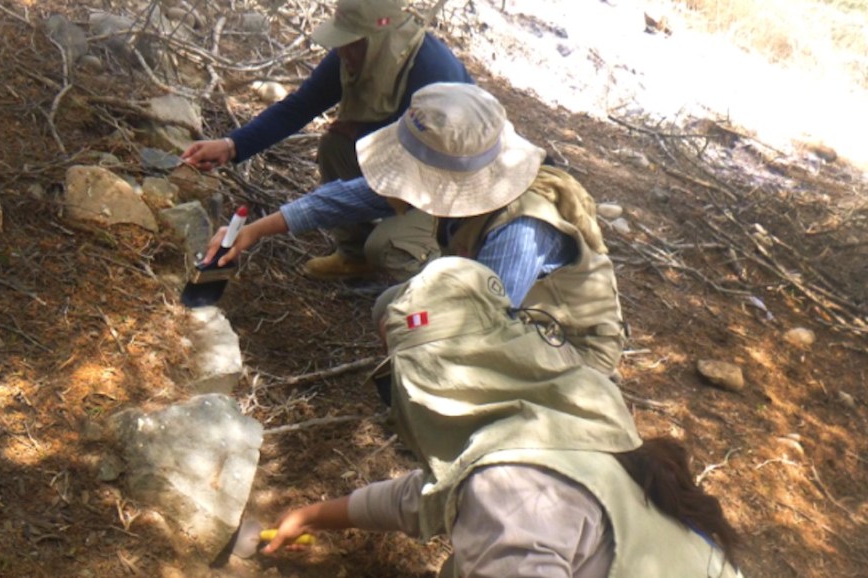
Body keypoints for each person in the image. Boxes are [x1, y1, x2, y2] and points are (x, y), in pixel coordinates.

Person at [260, 257, 744, 578]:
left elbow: (498, 498)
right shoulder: (571, 417)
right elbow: (430, 495)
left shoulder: (510, 491)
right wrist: (311, 517)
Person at [203, 83, 624, 376]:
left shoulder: (524, 226)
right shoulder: (465, 175)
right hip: (505, 312)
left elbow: (490, 326)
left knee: (415, 326)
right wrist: (254, 231)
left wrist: (424, 342)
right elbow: (347, 198)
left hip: (566, 345)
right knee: (396, 311)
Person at [182, 0, 472, 281]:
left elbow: (408, 172)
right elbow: (300, 106)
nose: (342, 51)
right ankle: (355, 257)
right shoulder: (353, 56)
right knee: (337, 146)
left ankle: (434, 283)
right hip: (399, 172)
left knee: (389, 246)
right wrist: (232, 145)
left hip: (450, 187)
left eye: (352, 43)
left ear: (380, 39)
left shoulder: (434, 73)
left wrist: (261, 227)